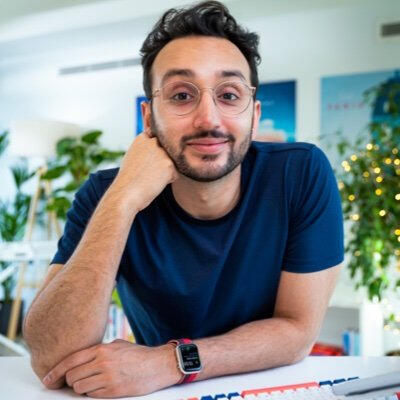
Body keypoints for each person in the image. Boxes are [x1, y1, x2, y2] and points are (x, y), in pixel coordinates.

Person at [23, 1, 344, 398]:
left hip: (267, 388)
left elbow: (298, 332)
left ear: (254, 115)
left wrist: (173, 361)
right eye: (180, 95)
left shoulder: (301, 173)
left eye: (229, 94)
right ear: (149, 118)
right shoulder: (105, 193)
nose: (208, 119)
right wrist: (122, 199)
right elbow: (51, 355)